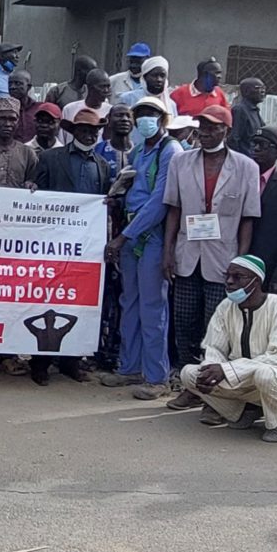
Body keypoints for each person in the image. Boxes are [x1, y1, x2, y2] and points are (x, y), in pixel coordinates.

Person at [162, 105, 260, 409]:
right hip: (188, 255)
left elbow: (248, 218)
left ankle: (214, 391)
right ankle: (190, 384)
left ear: (226, 131)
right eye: (201, 127)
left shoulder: (246, 167)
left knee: (216, 327)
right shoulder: (181, 162)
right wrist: (168, 252)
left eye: (212, 127)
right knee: (185, 322)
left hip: (224, 260)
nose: (204, 132)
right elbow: (174, 209)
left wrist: (242, 262)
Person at [179, 255, 277, 442]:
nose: (229, 282)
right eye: (228, 276)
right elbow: (214, 348)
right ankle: (247, 410)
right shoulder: (226, 307)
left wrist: (227, 370)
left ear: (256, 281)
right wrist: (211, 369)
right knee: (190, 374)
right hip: (242, 380)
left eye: (237, 276)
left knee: (264, 374)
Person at [29, 105, 114, 387]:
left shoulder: (102, 165)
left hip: (86, 246)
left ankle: (71, 362)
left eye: (95, 131)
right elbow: (36, 195)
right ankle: (39, 363)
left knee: (79, 301)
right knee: (46, 298)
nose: (90, 135)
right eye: (85, 130)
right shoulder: (51, 158)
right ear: (73, 131)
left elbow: (104, 203)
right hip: (52, 242)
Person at [109, 97, 180, 399]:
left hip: (150, 235)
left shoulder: (170, 151)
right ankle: (130, 367)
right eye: (140, 115)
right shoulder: (138, 151)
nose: (143, 120)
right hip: (130, 231)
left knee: (153, 308)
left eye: (150, 114)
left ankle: (157, 376)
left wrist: (124, 236)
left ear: (162, 119)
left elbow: (160, 201)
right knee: (131, 303)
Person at [246, 127, 277, 298]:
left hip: (270, 270)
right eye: (253, 144)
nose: (256, 149)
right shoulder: (240, 177)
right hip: (239, 267)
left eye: (262, 145)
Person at [228, 78, 267, 154]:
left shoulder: (255, 110)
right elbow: (234, 139)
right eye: (258, 88)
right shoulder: (240, 110)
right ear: (246, 91)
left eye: (264, 88)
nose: (263, 91)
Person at [95, 103, 135, 171]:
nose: (125, 119)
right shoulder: (97, 150)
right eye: (119, 115)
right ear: (109, 120)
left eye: (129, 116)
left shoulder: (139, 151)